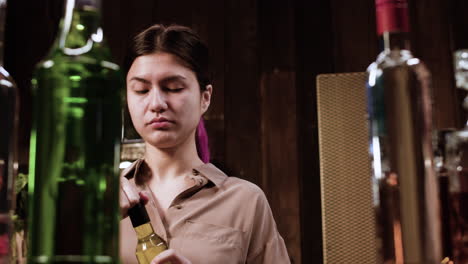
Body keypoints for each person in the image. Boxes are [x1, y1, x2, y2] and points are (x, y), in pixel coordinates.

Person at [119, 24, 290, 264]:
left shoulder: (245, 202)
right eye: (141, 90)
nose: (156, 103)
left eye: (173, 88)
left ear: (205, 98)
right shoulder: (103, 200)